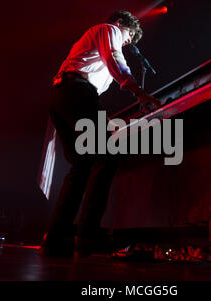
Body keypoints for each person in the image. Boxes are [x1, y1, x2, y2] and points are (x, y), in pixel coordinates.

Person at [41, 10, 161, 256]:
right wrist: (140, 93)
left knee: (81, 167)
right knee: (106, 157)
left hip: (63, 95)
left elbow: (94, 85)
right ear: (120, 23)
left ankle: (56, 239)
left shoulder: (95, 44)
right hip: (76, 90)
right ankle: (88, 236)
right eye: (129, 35)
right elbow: (116, 59)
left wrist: (99, 116)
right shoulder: (109, 30)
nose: (127, 42)